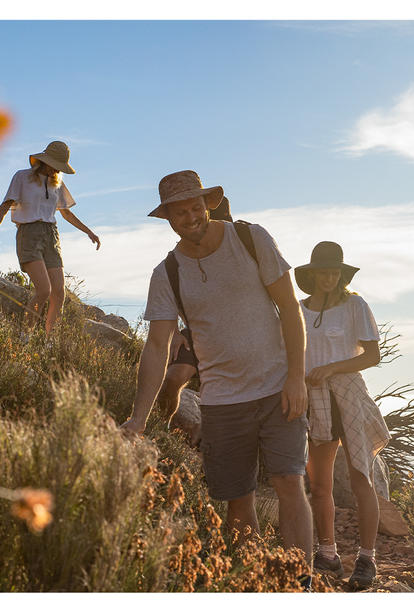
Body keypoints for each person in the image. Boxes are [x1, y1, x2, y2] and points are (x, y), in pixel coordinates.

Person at [121, 170, 313, 567]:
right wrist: (138, 417)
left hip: (278, 389)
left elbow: (290, 309)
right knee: (238, 500)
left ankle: (303, 585)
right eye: (180, 212)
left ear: (207, 204)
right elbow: (157, 346)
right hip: (222, 402)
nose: (190, 217)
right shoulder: (167, 273)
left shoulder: (250, 239)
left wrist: (296, 377)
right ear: (168, 219)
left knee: (289, 484)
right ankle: (251, 582)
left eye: (195, 207)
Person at [294, 241, 390, 590]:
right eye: (323, 271)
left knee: (360, 477)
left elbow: (372, 355)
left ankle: (367, 558)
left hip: (348, 394)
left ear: (341, 273)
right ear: (312, 274)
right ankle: (328, 554)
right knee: (319, 484)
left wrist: (331, 368)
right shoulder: (299, 311)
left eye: (335, 271)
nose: (329, 277)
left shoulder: (355, 306)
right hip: (314, 398)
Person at [0, 141, 100, 335]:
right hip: (29, 234)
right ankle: (25, 335)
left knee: (59, 292)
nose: (56, 171)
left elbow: (66, 214)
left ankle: (51, 340)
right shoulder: (22, 177)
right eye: (55, 166)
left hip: (51, 236)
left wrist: (88, 232)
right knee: (43, 290)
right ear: (45, 161)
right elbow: (6, 204)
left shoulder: (57, 183)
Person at [156, 196, 233, 442]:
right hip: (196, 332)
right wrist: (176, 332)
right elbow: (174, 296)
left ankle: (202, 446)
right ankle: (162, 429)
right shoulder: (181, 260)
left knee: (223, 400)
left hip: (235, 335)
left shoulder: (239, 253)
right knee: (172, 379)